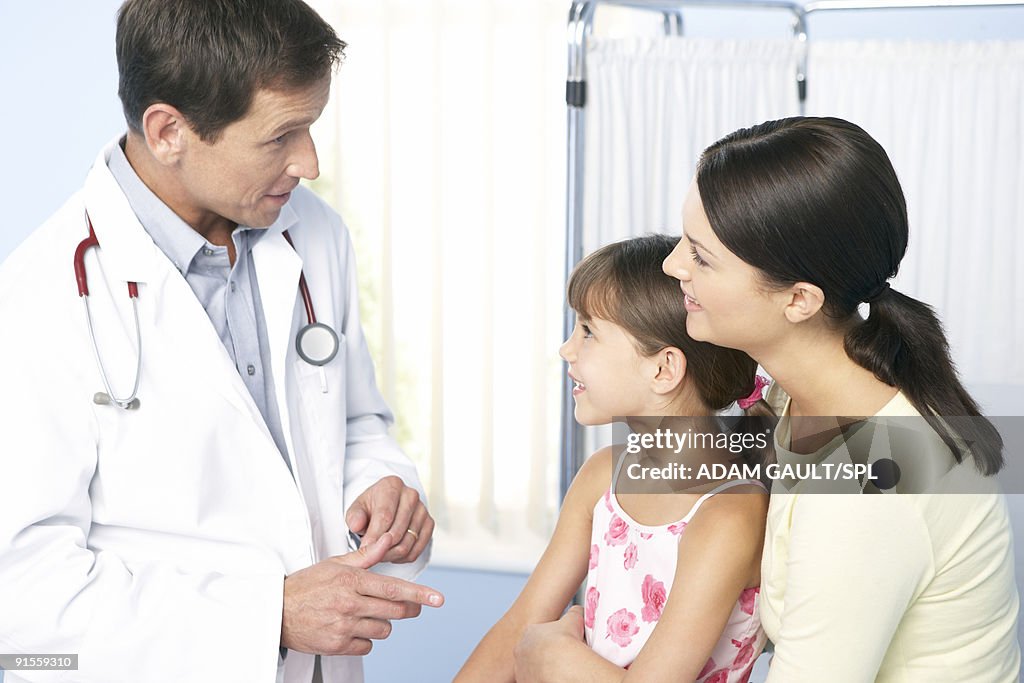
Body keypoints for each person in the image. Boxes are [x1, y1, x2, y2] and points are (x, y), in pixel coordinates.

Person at [0, 1, 443, 681]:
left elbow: (353, 420)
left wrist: (381, 481)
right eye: (282, 135)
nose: (311, 162)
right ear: (169, 129)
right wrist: (268, 614)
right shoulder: (37, 297)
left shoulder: (315, 236)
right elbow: (22, 605)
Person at [516, 117, 1020, 682]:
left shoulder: (870, 487)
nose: (672, 265)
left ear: (800, 300)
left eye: (701, 257)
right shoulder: (790, 404)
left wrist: (557, 663)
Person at [457, 235, 772, 683]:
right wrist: (533, 647)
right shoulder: (602, 475)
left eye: (588, 331)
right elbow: (521, 622)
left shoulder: (729, 515)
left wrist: (550, 655)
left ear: (662, 370)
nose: (567, 349)